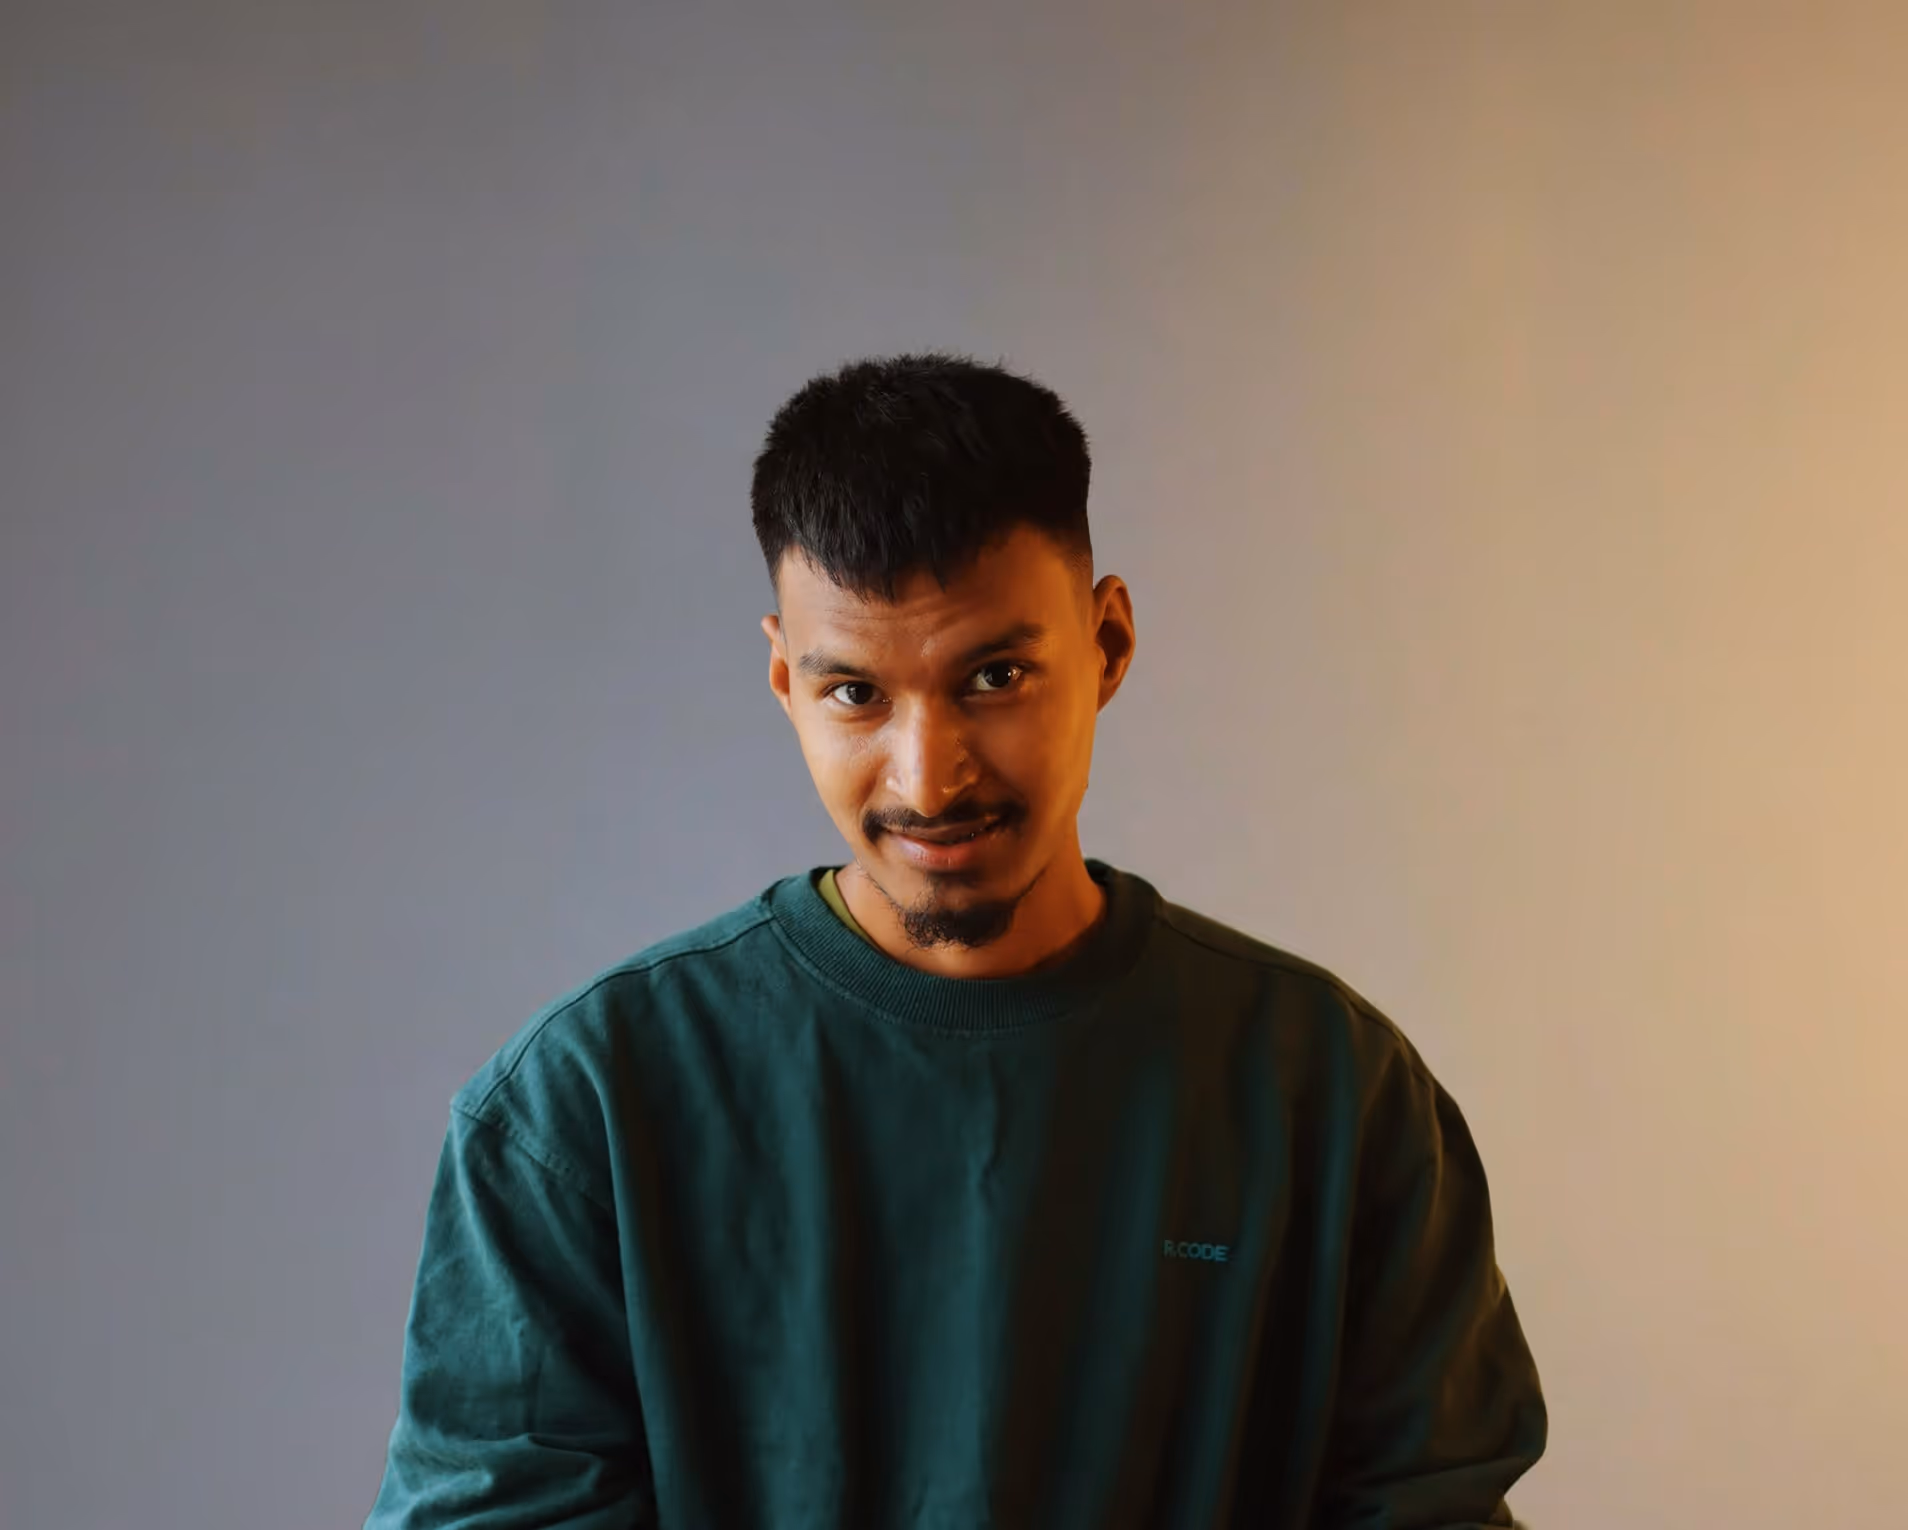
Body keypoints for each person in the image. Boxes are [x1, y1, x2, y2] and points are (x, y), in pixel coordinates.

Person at [364, 352, 1547, 1528]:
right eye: (854, 695)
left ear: (1109, 645)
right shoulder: (582, 1114)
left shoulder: (1329, 1094)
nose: (928, 778)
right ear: (784, 676)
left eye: (995, 675)